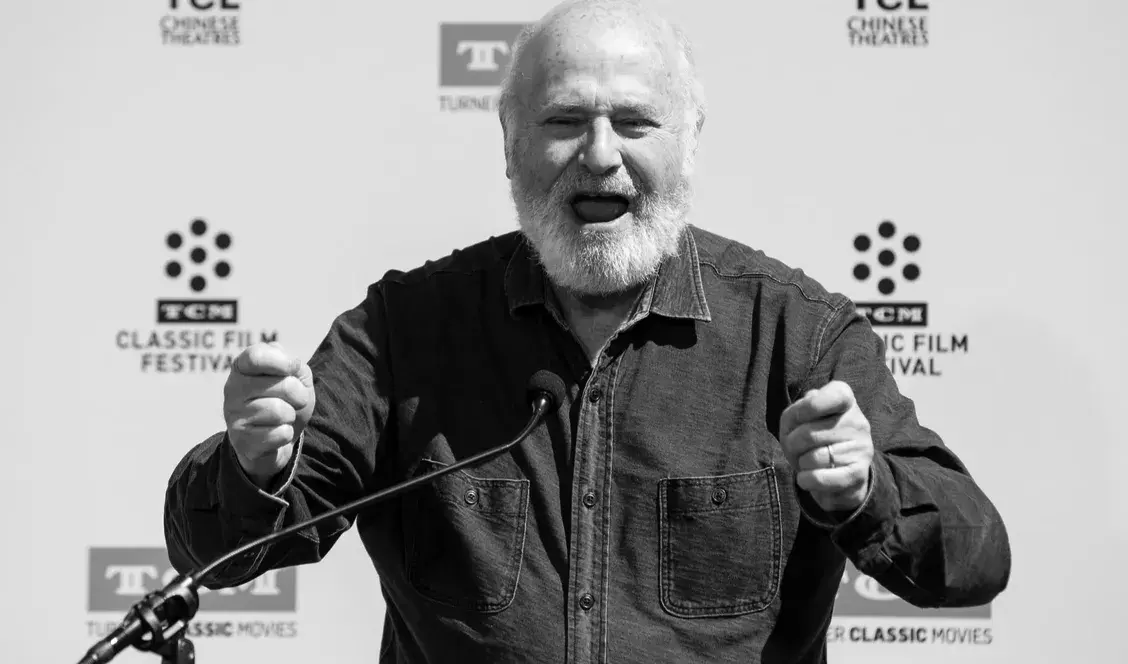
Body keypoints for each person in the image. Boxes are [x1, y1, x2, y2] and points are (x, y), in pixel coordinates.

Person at [163, 0, 1011, 661]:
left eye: (635, 123)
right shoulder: (404, 330)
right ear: (510, 142)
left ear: (689, 142)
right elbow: (213, 549)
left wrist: (865, 493)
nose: (600, 154)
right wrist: (253, 465)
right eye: (565, 121)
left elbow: (976, 556)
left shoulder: (798, 332)